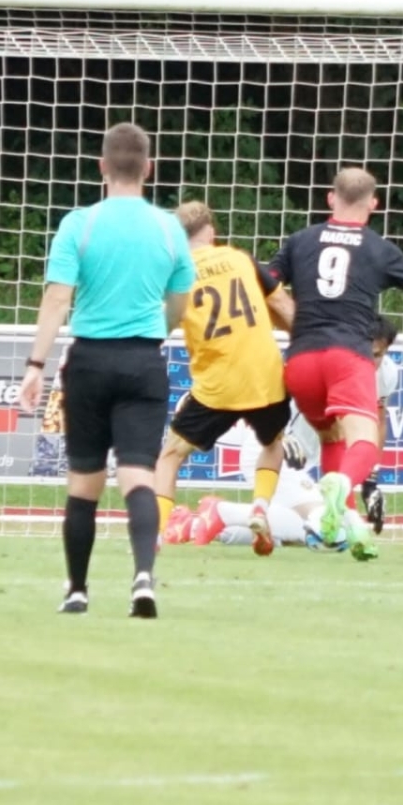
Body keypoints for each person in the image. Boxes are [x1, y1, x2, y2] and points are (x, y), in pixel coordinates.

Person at [266, 167, 403, 561]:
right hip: (347, 357)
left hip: (301, 360)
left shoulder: (300, 240)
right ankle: (341, 484)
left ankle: (344, 526)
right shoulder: (379, 248)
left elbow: (264, 285)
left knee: (332, 439)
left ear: (330, 198)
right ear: (374, 203)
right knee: (364, 441)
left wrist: (290, 320)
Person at [17, 123, 196, 618]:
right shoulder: (169, 229)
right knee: (139, 475)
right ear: (149, 168)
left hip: (90, 362)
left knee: (84, 482)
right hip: (143, 361)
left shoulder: (80, 224)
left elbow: (57, 298)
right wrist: (156, 330)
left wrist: (35, 364)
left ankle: (77, 589)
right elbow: (180, 303)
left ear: (101, 167)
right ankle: (143, 577)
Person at [174, 315, 403, 552]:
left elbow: (376, 423)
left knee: (312, 531)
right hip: (270, 451)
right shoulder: (325, 364)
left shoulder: (386, 375)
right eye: (364, 352)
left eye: (377, 355)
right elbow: (265, 394)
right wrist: (282, 435)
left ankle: (198, 525)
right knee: (331, 531)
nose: (369, 361)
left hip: (303, 462)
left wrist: (370, 481)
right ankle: (222, 512)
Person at [152, 201, 296, 557]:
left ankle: (154, 534)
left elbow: (162, 324)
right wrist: (308, 344)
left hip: (218, 385)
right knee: (272, 443)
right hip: (265, 376)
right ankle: (259, 507)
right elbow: (283, 307)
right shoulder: (240, 259)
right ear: (211, 233)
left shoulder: (177, 275)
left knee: (170, 456)